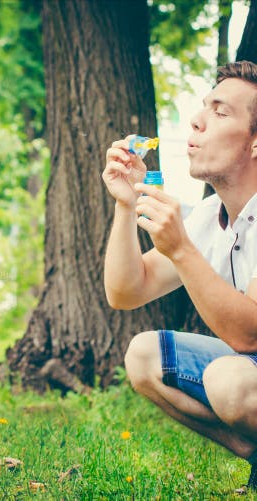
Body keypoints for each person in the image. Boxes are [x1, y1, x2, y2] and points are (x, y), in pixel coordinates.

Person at [103, 60, 257, 490]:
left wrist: (182, 249)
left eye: (221, 112)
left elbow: (249, 336)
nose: (197, 119)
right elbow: (125, 291)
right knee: (144, 354)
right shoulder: (212, 216)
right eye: (205, 106)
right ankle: (255, 455)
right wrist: (125, 204)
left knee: (230, 379)